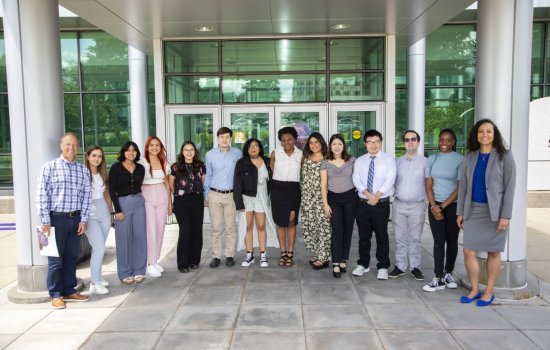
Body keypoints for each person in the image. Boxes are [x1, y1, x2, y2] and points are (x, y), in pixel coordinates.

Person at [457, 119, 516, 306]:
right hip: (473, 210)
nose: (485, 135)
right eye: (481, 131)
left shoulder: (504, 156)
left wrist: (505, 215)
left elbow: (510, 187)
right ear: (476, 135)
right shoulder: (470, 156)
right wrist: (460, 212)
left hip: (495, 213)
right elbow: (464, 187)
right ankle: (475, 288)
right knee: (468, 251)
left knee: (493, 252)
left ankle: (489, 291)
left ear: (494, 134)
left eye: (489, 131)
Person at [37, 132, 91, 309]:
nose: (72, 148)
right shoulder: (49, 167)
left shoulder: (82, 169)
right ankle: (55, 294)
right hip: (54, 220)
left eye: (75, 145)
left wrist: (83, 220)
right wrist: (45, 220)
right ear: (61, 146)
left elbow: (86, 197)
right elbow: (42, 195)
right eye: (68, 144)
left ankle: (69, 289)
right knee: (55, 260)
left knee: (71, 258)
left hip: (75, 220)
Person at [423, 128, 463, 292]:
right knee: (439, 242)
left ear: (453, 142)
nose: (444, 143)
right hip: (434, 206)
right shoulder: (432, 159)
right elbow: (428, 184)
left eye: (448, 140)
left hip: (452, 206)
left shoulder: (461, 160)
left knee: (452, 241)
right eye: (441, 139)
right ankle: (438, 276)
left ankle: (448, 273)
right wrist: (434, 206)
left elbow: (460, 188)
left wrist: (442, 206)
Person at [352, 129, 396, 280]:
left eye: (376, 142)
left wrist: (377, 196)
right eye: (370, 142)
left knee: (381, 235)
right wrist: (368, 194)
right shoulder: (360, 160)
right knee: (364, 236)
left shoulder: (388, 159)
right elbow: (356, 179)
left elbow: (390, 179)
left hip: (381, 204)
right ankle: (363, 264)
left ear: (380, 142)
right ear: (365, 144)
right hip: (363, 203)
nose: (373, 145)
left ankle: (383, 266)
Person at [388, 130, 427, 281]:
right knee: (400, 237)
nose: (410, 142)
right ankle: (400, 266)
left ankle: (415, 267)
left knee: (415, 238)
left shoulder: (425, 162)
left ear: (418, 141)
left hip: (417, 205)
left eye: (413, 139)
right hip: (399, 204)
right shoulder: (397, 162)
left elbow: (429, 184)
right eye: (407, 140)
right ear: (403, 142)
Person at [233, 138, 278, 267]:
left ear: (260, 148)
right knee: (248, 226)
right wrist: (239, 203)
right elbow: (237, 184)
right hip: (247, 198)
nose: (253, 148)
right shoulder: (241, 163)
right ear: (247, 149)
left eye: (256, 145)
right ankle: (249, 255)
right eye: (250, 146)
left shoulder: (266, 161)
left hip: (262, 197)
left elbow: (272, 181)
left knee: (261, 226)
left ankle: (263, 255)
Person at [109, 141, 147, 284]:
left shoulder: (140, 168)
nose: (131, 153)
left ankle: (139, 270)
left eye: (134, 150)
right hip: (122, 203)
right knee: (123, 238)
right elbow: (112, 190)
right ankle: (124, 272)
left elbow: (139, 185)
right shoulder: (116, 168)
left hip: (138, 202)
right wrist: (116, 210)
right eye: (128, 150)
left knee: (140, 236)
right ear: (123, 152)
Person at [204, 127, 242, 268]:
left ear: (230, 138)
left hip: (231, 195)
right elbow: (208, 175)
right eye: (222, 137)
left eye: (227, 137)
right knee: (216, 228)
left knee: (230, 227)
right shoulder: (210, 155)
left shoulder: (237, 153)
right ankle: (215, 256)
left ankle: (229, 255)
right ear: (217, 138)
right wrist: (206, 195)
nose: (224, 140)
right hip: (214, 194)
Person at [320, 134, 356, 278]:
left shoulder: (352, 160)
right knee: (337, 230)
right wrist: (325, 204)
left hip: (350, 198)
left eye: (339, 144)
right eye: (334, 144)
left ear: (343, 145)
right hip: (333, 199)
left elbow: (357, 179)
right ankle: (335, 262)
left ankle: (343, 259)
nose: (337, 146)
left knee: (348, 230)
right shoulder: (325, 162)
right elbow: (323, 185)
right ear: (330, 146)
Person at [169, 141, 206, 273]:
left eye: (191, 149)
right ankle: (183, 263)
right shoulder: (175, 166)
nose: (189, 152)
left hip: (196, 200)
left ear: (195, 151)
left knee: (196, 231)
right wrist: (179, 194)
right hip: (181, 201)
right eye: (186, 149)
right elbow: (171, 184)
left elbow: (203, 182)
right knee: (185, 231)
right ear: (182, 151)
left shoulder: (200, 166)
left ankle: (194, 261)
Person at [270, 127, 302, 267]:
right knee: (280, 221)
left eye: (289, 139)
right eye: (283, 140)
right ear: (280, 142)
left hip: (294, 190)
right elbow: (272, 169)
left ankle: (291, 253)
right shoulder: (275, 153)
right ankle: (283, 252)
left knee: (291, 220)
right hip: (277, 190)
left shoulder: (301, 155)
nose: (286, 142)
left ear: (294, 139)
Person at [140, 136, 172, 278]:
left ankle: (155, 260)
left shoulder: (164, 161)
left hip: (162, 196)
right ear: (147, 147)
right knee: (150, 231)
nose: (154, 147)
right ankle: (149, 263)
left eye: (157, 145)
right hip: (147, 196)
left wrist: (170, 203)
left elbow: (167, 183)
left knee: (160, 229)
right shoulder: (142, 162)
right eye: (152, 145)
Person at [85, 145, 113, 295]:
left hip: (104, 212)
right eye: (94, 155)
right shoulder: (83, 173)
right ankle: (94, 283)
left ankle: (98, 277)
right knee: (99, 248)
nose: (97, 159)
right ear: (88, 157)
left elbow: (107, 194)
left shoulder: (102, 174)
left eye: (100, 156)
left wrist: (111, 212)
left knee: (100, 248)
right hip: (90, 214)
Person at [301, 132, 332, 270]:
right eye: (311, 142)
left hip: (322, 197)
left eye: (316, 142)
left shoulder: (327, 159)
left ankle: (324, 257)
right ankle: (318, 252)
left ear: (321, 143)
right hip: (308, 198)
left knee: (323, 227)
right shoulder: (307, 158)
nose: (314, 145)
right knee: (312, 226)